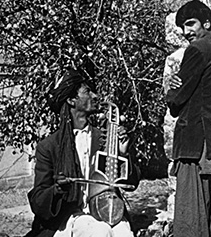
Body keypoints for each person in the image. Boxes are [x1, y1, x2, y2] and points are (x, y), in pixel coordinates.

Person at [26, 69, 140, 237]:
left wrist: (122, 154)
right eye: (87, 91)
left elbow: (131, 183)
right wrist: (57, 189)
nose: (95, 96)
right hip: (67, 217)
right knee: (98, 232)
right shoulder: (49, 146)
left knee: (124, 233)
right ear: (72, 100)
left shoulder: (104, 139)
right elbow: (39, 199)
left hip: (104, 211)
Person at [166, 0, 211, 237]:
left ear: (206, 22)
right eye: (183, 27)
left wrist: (171, 88)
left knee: (190, 219)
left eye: (190, 24)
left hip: (195, 147)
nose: (186, 32)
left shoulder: (198, 50)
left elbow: (176, 100)